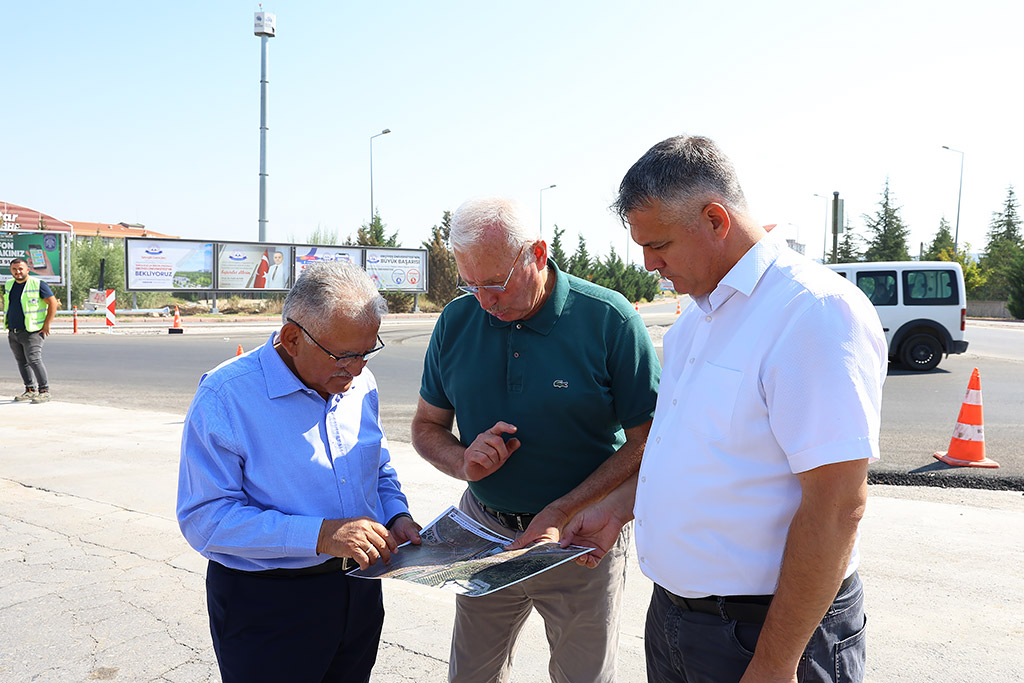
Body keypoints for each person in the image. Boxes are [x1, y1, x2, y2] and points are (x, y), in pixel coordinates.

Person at [556, 135, 887, 683]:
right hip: (678, 621)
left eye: (659, 244)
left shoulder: (813, 314)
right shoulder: (695, 320)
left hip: (770, 633)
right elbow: (696, 457)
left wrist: (776, 661)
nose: (648, 264)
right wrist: (616, 509)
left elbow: (837, 507)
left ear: (715, 219)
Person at [411, 196, 661, 683]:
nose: (483, 300)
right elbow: (425, 427)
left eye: (495, 284)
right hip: (485, 533)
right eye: (470, 283)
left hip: (580, 540)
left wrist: (561, 511)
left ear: (538, 254)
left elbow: (649, 438)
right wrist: (464, 461)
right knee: (469, 676)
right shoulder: (457, 321)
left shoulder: (609, 320)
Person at [177, 260, 422, 683]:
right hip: (270, 603)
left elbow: (377, 467)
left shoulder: (358, 382)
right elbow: (205, 520)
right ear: (292, 338)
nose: (358, 368)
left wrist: (396, 516)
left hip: (358, 590)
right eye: (345, 356)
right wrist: (321, 535)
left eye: (367, 352)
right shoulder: (226, 395)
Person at [4, 257, 58, 404]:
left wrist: (47, 323)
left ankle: (44, 391)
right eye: (14, 269)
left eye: (21, 269)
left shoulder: (38, 284)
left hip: (33, 331)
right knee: (21, 361)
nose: (18, 272)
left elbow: (53, 303)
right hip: (14, 331)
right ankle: (29, 390)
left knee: (34, 360)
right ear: (11, 270)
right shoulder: (9, 285)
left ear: (27, 269)